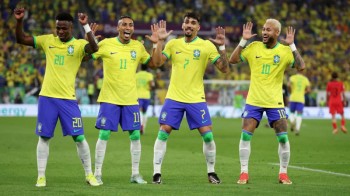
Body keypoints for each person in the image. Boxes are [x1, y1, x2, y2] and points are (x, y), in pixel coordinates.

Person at [14, 8, 100, 187]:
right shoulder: (47, 41)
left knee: (79, 137)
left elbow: (93, 48)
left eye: (64, 28)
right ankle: (41, 176)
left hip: (68, 99)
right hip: (47, 98)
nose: (60, 31)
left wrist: (86, 27)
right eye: (58, 28)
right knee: (44, 137)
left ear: (71, 28)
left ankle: (89, 175)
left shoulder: (77, 45)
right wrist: (19, 21)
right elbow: (21, 39)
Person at [151, 12, 230, 184]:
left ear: (198, 28)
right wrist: (159, 41)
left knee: (208, 136)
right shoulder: (173, 44)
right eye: (186, 22)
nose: (189, 25)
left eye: (193, 23)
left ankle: (211, 171)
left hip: (196, 98)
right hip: (174, 97)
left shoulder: (206, 46)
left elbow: (224, 69)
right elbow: (156, 63)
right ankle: (156, 173)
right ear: (182, 25)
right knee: (164, 132)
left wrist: (222, 47)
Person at [229, 19, 305, 185]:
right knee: (245, 135)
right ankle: (243, 173)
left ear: (277, 33)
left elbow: (301, 66)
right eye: (263, 29)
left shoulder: (284, 51)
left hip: (274, 102)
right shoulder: (253, 47)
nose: (264, 32)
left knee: (283, 138)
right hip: (254, 100)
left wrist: (292, 46)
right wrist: (243, 41)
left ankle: (283, 174)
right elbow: (232, 60)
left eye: (268, 30)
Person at [91, 16, 160, 185]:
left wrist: (157, 44)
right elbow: (87, 56)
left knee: (135, 135)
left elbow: (154, 63)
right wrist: (89, 41)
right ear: (118, 28)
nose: (128, 27)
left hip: (130, 99)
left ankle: (135, 174)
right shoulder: (106, 44)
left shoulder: (138, 46)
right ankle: (97, 173)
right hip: (109, 97)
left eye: (131, 25)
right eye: (124, 25)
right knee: (104, 133)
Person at [288, 70, 311, 135]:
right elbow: (309, 90)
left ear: (296, 71)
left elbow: (289, 85)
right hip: (301, 98)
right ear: (303, 72)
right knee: (299, 114)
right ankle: (297, 129)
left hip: (293, 97)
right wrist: (304, 92)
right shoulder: (305, 79)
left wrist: (290, 91)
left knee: (291, 112)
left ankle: (292, 121)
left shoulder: (292, 77)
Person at [136, 64, 155, 135]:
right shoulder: (149, 75)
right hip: (146, 95)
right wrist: (149, 88)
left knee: (139, 111)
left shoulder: (136, 75)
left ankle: (140, 125)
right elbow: (152, 85)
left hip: (138, 95)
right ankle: (143, 127)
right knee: (144, 112)